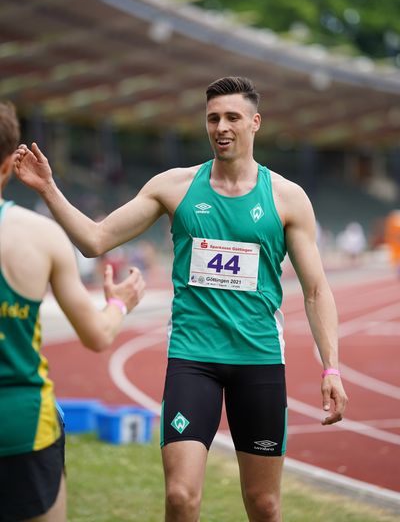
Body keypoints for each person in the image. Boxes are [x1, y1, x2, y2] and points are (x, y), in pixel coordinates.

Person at [14, 77, 348, 522]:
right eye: (213, 118)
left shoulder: (286, 197)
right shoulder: (174, 187)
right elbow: (95, 240)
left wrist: (331, 367)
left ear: (255, 122)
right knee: (180, 497)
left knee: (265, 505)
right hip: (193, 358)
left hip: (260, 360)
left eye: (232, 117)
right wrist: (48, 188)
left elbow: (316, 289)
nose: (221, 127)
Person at [0, 102, 145, 522]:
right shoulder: (41, 236)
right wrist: (120, 302)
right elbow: (97, 335)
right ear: (11, 164)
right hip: (23, 427)